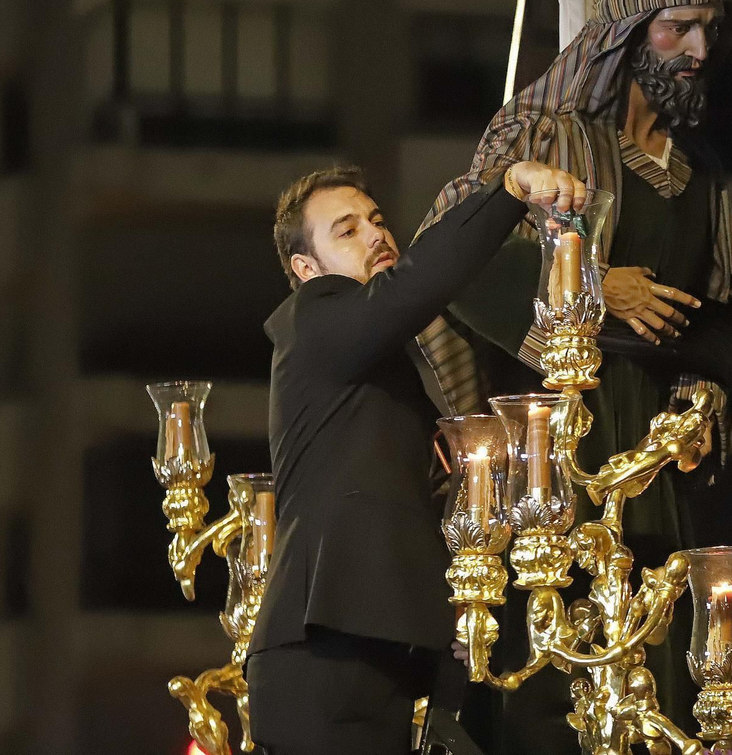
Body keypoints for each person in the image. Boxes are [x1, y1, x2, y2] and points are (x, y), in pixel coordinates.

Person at [414, 0, 732, 750]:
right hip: (556, 440)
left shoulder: (700, 172)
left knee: (659, 663)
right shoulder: (541, 133)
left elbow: (717, 317)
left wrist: (705, 396)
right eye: (678, 27)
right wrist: (598, 288)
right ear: (629, 31)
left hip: (652, 455)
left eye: (711, 28)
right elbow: (451, 252)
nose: (699, 49)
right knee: (547, 668)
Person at [246, 160, 586, 755]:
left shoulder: (385, 378)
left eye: (377, 220)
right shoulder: (310, 319)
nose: (376, 234)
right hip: (320, 654)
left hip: (376, 658)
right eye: (346, 230)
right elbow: (415, 284)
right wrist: (507, 191)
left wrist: (456, 607)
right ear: (306, 268)